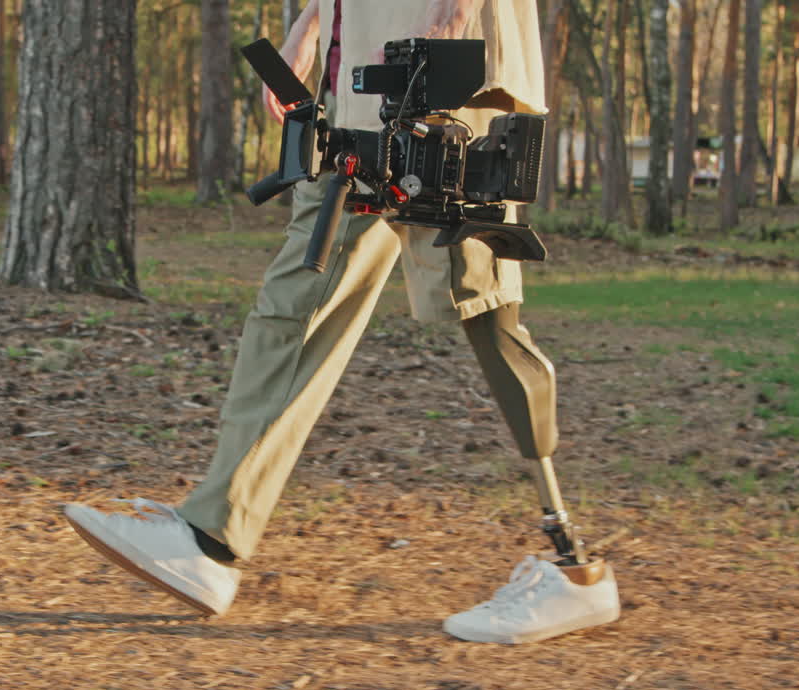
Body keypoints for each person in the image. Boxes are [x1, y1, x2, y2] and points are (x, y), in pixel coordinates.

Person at [64, 0, 621, 644]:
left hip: (446, 76)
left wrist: (455, 14)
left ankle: (574, 569)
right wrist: (311, 24)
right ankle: (209, 539)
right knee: (295, 300)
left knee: (484, 306)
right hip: (361, 85)